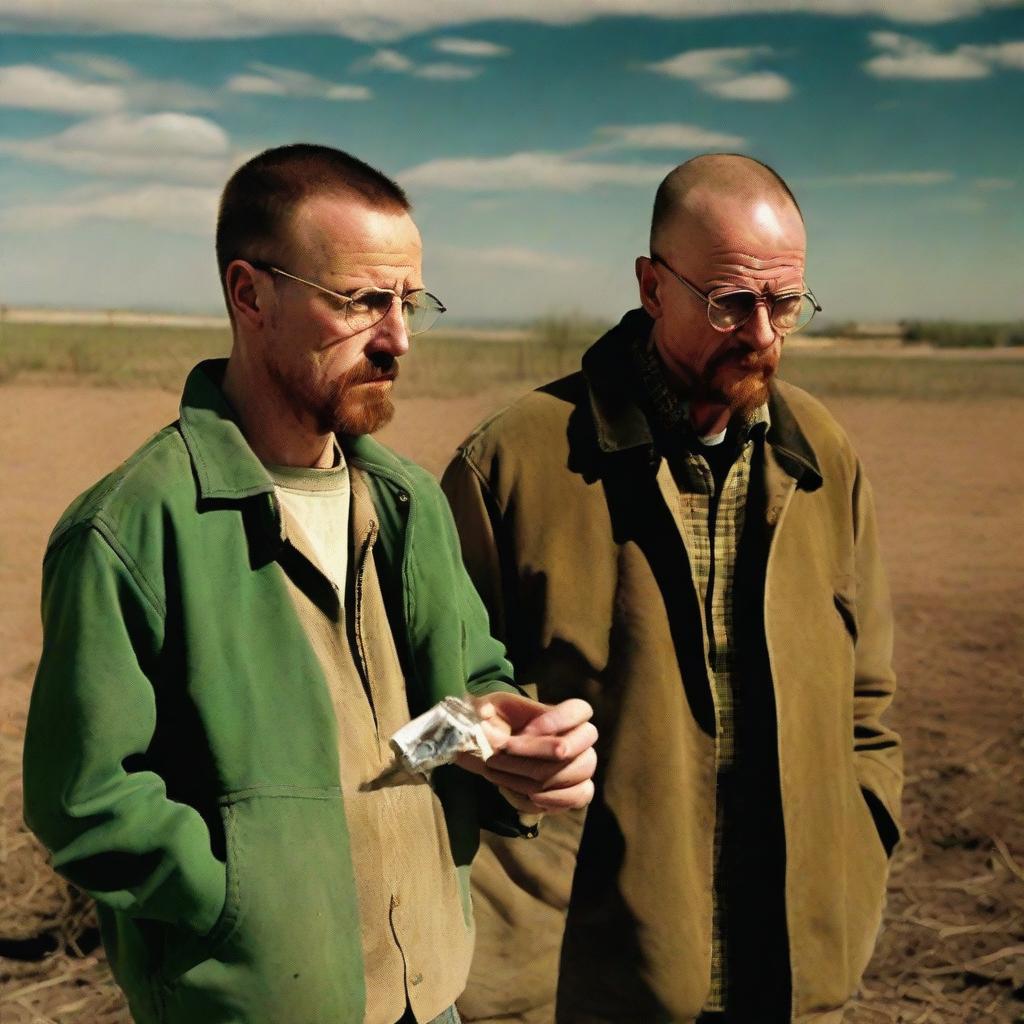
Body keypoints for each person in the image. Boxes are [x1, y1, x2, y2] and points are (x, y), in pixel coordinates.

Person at [22, 144, 597, 1024]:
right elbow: (85, 800)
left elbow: (436, 712)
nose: (398, 337)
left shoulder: (407, 503)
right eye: (362, 301)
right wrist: (243, 908)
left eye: (409, 303)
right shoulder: (130, 528)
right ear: (250, 295)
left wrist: (496, 731)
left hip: (431, 993)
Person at [442, 153, 902, 1024]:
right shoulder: (511, 462)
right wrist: (478, 740)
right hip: (583, 981)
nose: (763, 333)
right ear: (652, 287)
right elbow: (406, 719)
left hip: (791, 972)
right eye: (731, 301)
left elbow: (868, 706)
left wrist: (863, 838)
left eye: (787, 303)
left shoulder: (824, 458)